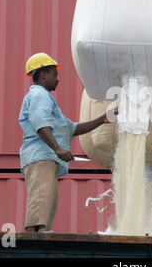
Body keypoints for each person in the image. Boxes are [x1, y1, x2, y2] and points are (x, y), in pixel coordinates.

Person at [19, 52, 116, 232]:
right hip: (42, 158)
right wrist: (57, 149)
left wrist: (103, 119)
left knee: (46, 205)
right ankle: (33, 243)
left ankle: (40, 238)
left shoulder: (45, 99)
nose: (58, 79)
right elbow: (40, 124)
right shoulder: (40, 96)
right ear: (43, 75)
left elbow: (71, 128)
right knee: (40, 204)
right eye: (55, 75)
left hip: (47, 159)